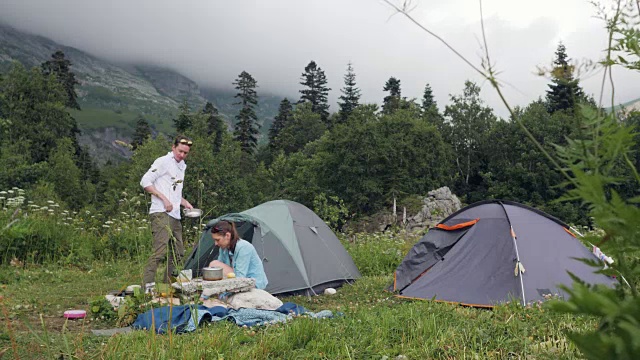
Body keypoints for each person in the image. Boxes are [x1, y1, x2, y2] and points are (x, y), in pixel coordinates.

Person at [140, 135, 194, 292]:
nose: (182, 155)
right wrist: (163, 199)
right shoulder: (162, 161)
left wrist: (186, 203)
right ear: (173, 148)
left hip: (175, 214)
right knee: (160, 251)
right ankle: (147, 287)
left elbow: (174, 192)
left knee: (178, 252)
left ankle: (166, 285)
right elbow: (145, 181)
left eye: (185, 153)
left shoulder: (182, 166)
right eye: (180, 151)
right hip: (161, 212)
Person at [208, 220, 268, 290]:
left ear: (228, 235)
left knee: (214, 264)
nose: (216, 243)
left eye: (218, 240)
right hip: (237, 278)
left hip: (254, 283)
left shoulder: (243, 247)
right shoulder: (223, 248)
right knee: (215, 266)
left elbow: (240, 277)